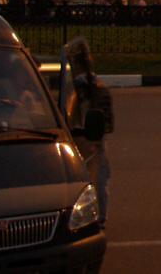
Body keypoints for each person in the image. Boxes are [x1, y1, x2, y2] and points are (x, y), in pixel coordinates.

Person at [70, 45, 112, 227]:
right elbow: (108, 122)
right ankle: (100, 215)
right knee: (100, 177)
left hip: (80, 138)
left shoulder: (76, 89)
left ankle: (88, 216)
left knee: (82, 179)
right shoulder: (100, 88)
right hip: (97, 139)